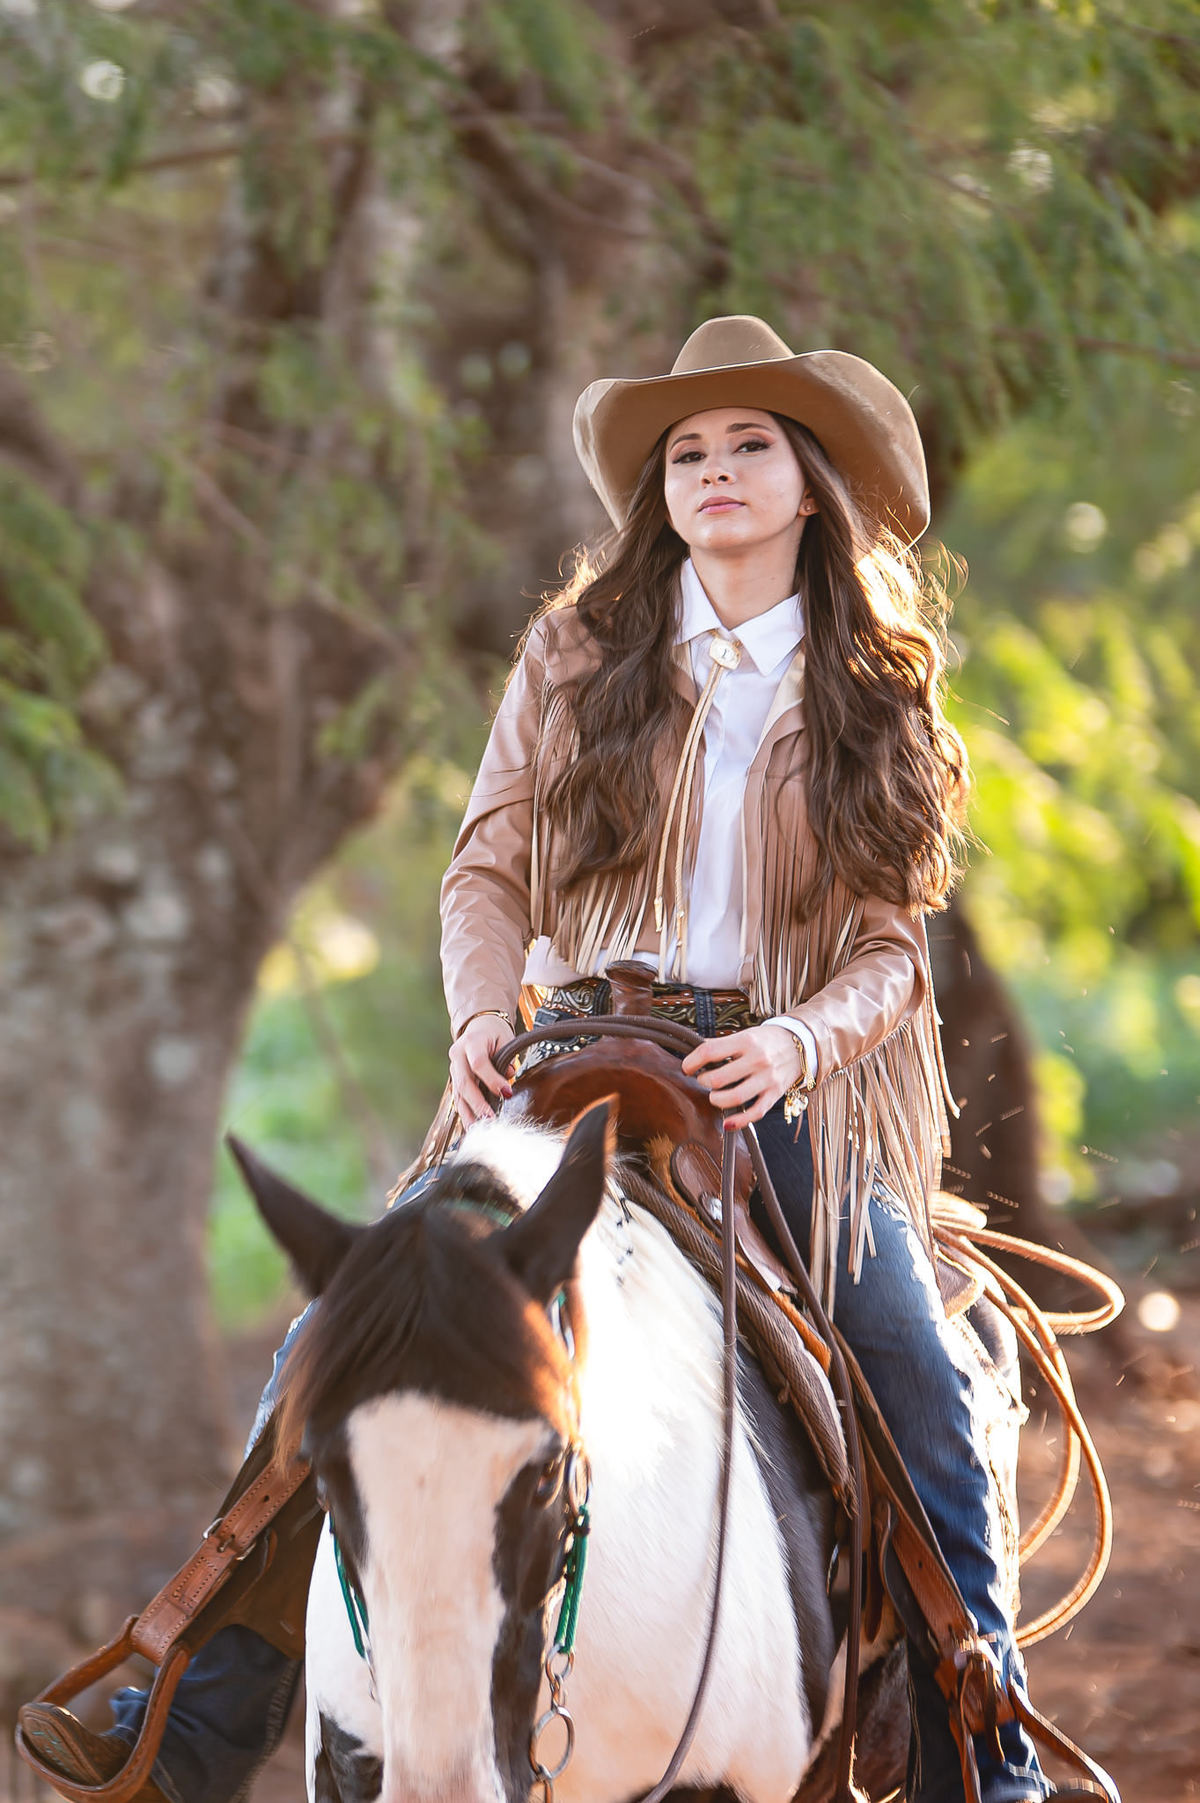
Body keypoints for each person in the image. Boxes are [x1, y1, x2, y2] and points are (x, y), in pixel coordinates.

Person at [19, 317, 1098, 1803]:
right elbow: (485, 873)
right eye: (687, 454)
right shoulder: (578, 646)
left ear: (811, 483)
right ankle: (188, 1709)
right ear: (659, 492)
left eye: (749, 446)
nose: (712, 472)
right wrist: (479, 1016)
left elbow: (891, 952)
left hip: (761, 1081)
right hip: (567, 1053)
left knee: (912, 1366)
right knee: (329, 1343)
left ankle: (989, 1750)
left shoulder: (873, 685)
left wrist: (794, 1040)